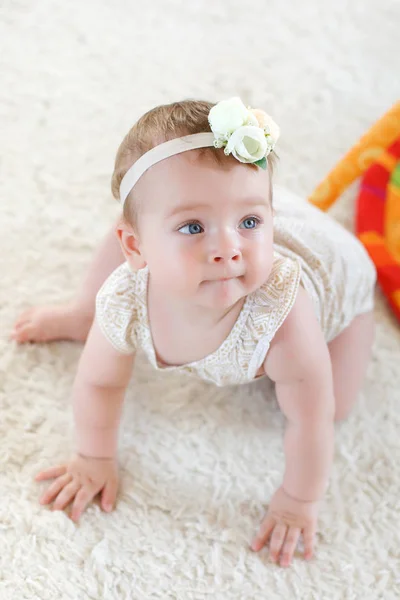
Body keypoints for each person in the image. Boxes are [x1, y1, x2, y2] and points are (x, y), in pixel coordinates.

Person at [11, 97, 376, 568]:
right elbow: (99, 382)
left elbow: (311, 419)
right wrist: (94, 455)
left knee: (335, 404)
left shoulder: (286, 317)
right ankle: (82, 312)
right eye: (193, 226)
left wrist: (298, 500)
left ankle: (230, 217)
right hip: (183, 231)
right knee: (135, 220)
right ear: (135, 250)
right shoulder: (125, 299)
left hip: (339, 276)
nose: (226, 248)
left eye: (249, 222)